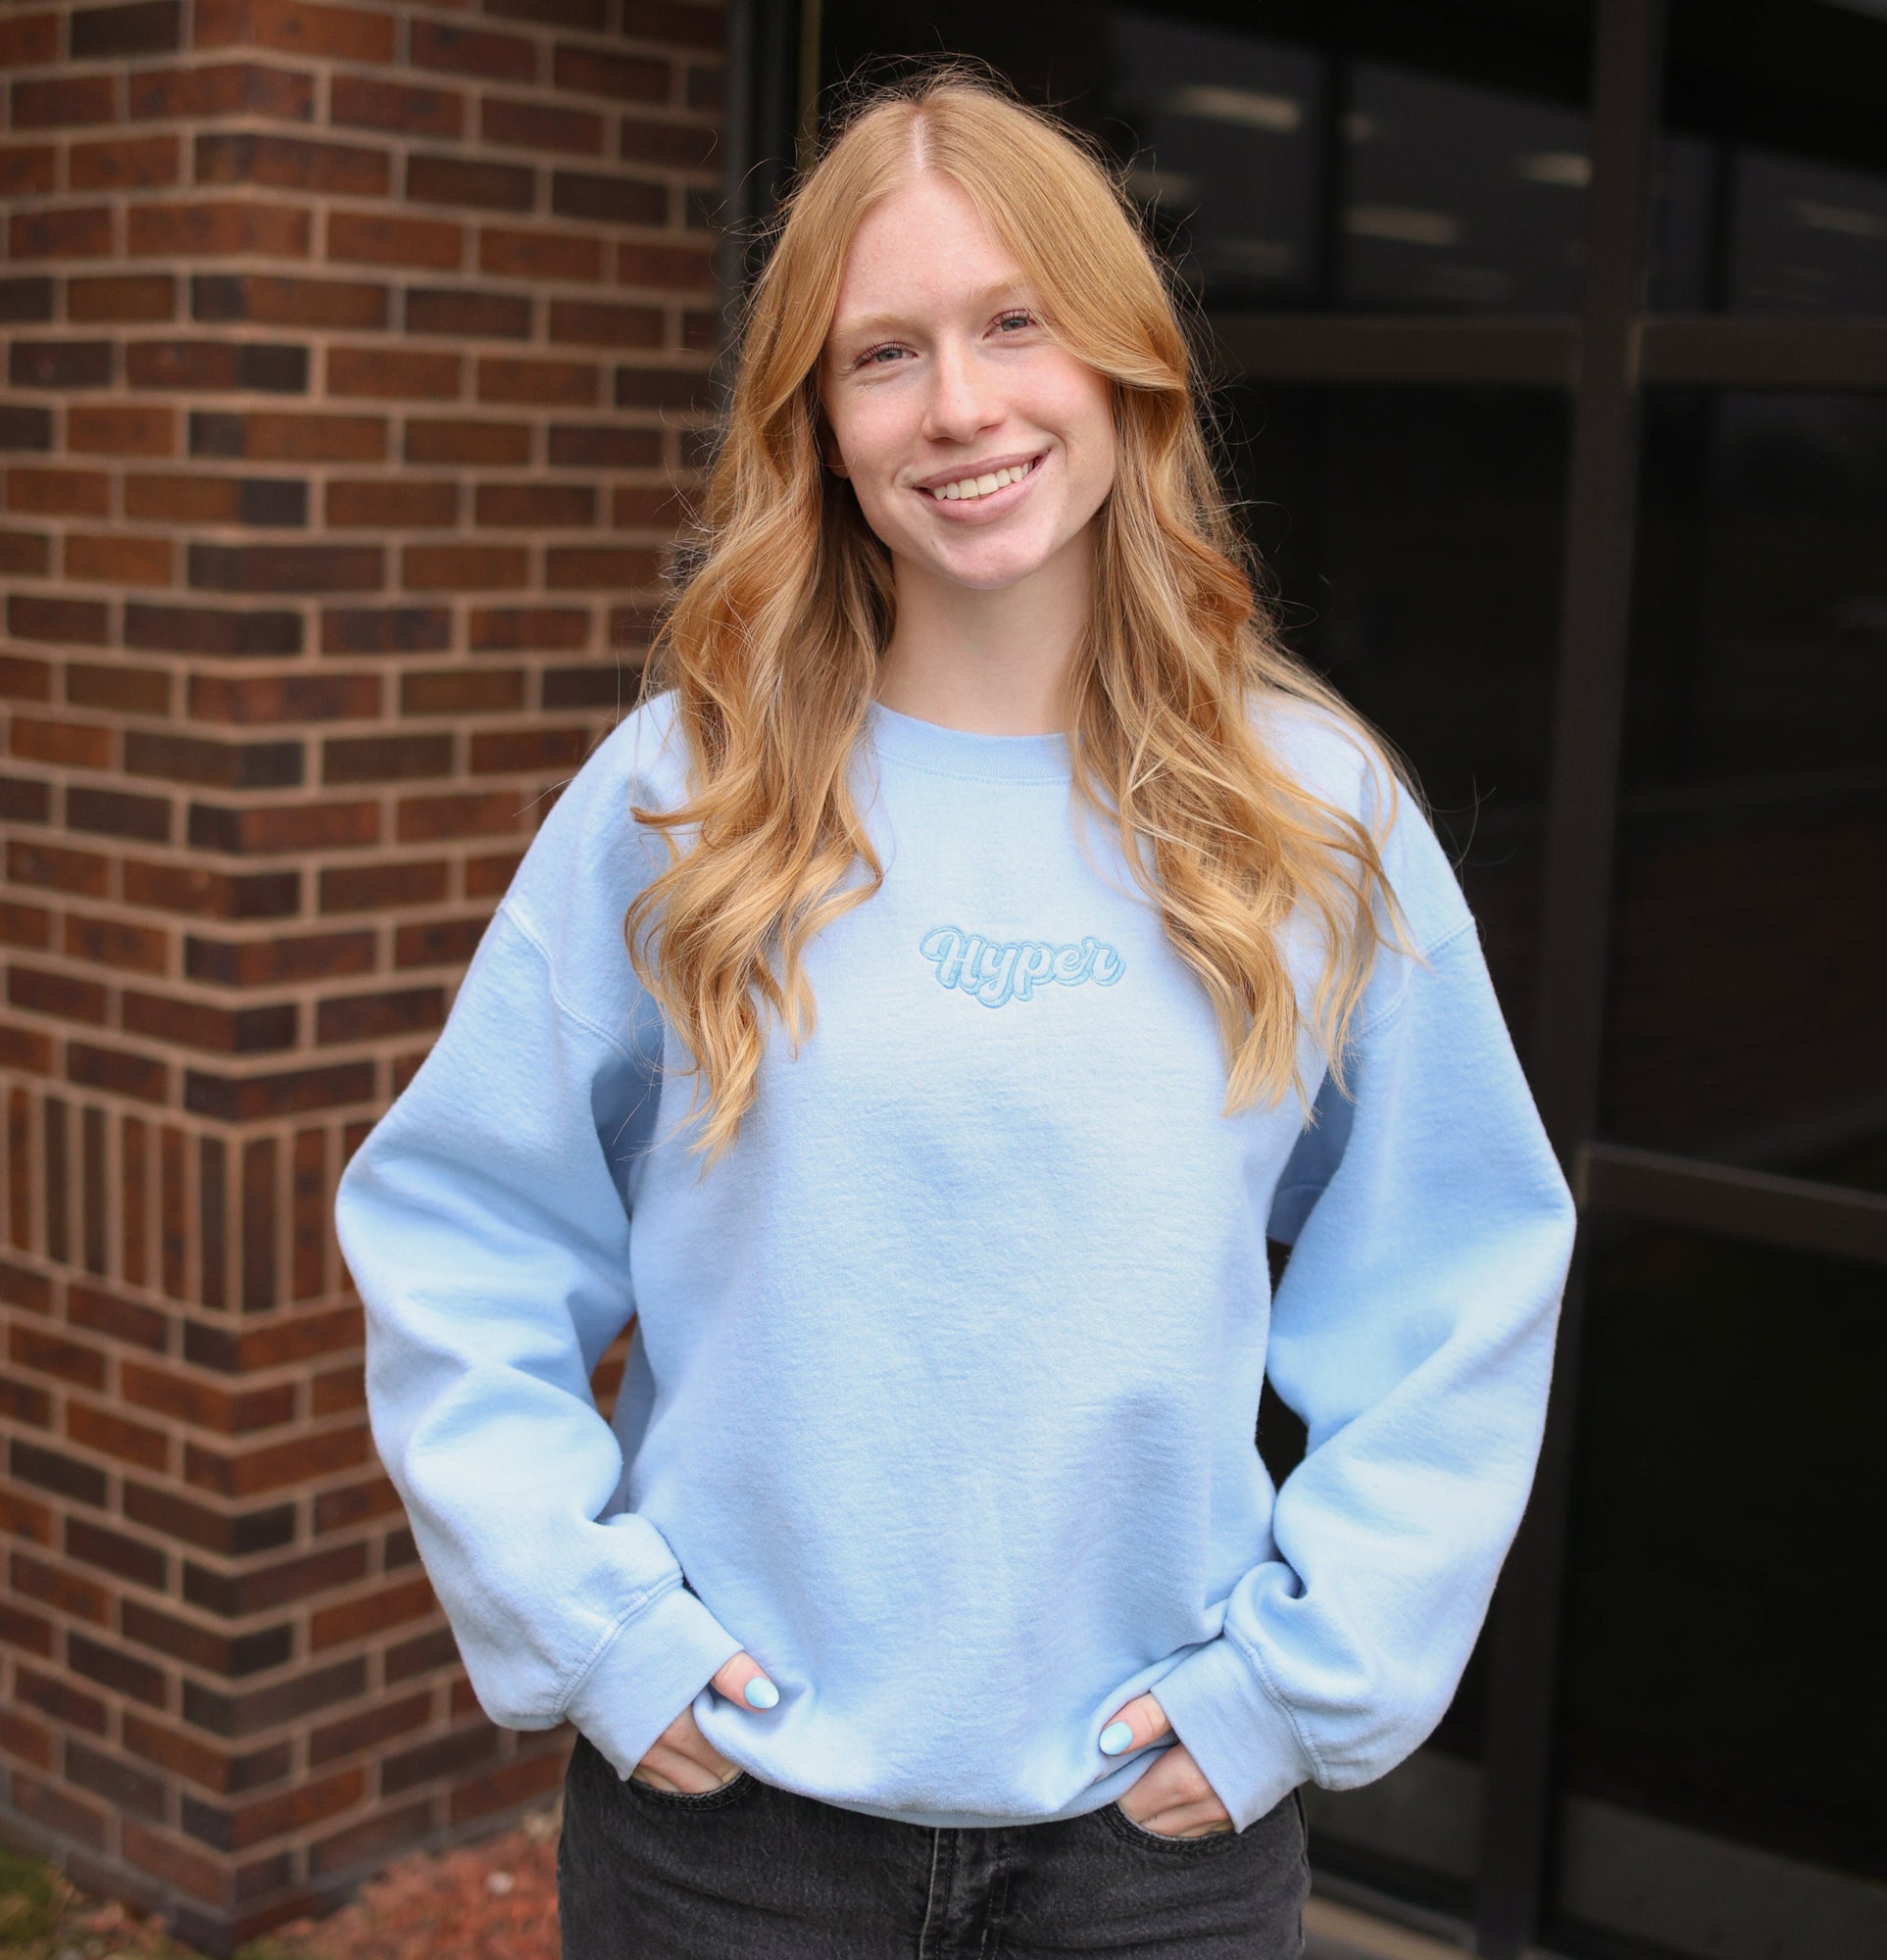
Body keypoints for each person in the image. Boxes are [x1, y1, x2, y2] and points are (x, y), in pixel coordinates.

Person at [334, 68, 1577, 1960]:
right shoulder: (686, 794)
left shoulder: (1308, 814)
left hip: (1151, 1863)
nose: (962, 406)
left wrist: (1296, 1688)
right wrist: (593, 1632)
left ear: (1124, 368)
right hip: (731, 1848)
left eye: (1015, 324)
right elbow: (463, 1232)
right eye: (884, 354)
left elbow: (1460, 1279)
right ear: (822, 430)